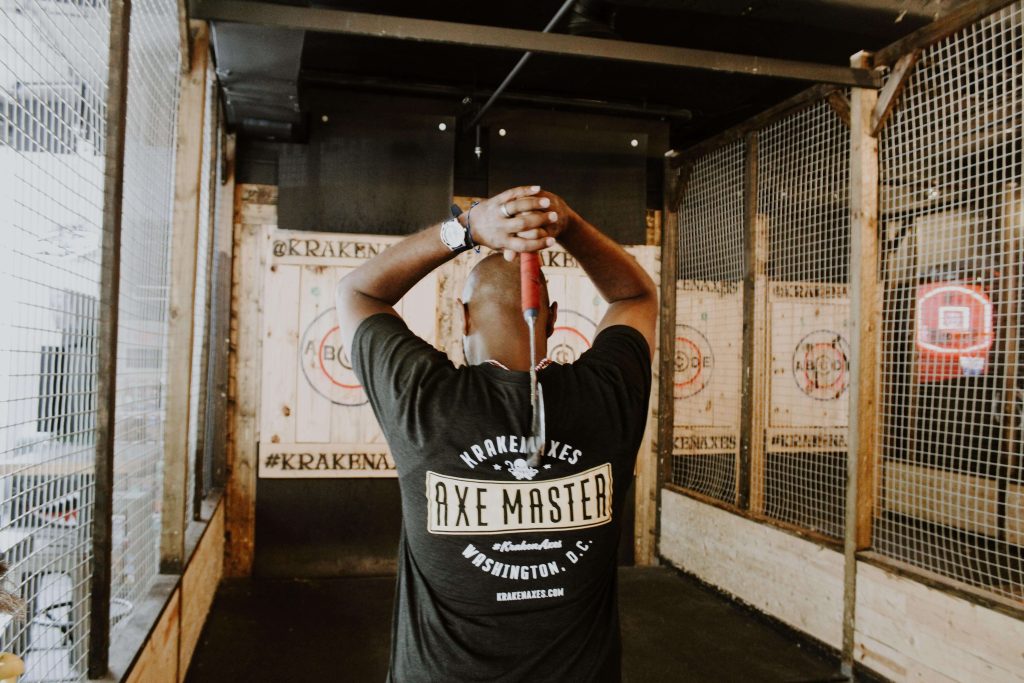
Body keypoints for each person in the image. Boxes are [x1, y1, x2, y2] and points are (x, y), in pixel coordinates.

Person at [335, 186, 657, 682]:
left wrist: (465, 230)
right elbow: (634, 295)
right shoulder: (606, 395)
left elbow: (359, 292)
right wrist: (564, 224)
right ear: (551, 320)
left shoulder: (423, 398)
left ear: (461, 318)